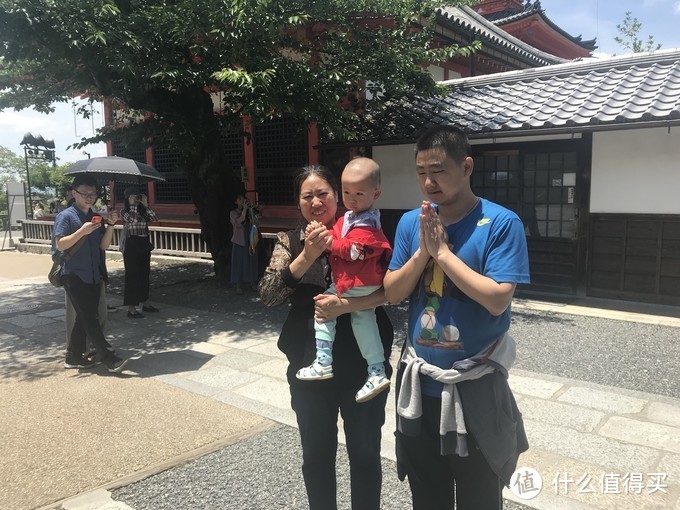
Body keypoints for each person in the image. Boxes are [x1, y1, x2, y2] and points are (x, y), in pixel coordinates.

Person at [383, 125, 530, 510]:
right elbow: (393, 292)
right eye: (420, 172)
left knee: (479, 496)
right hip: (419, 386)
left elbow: (498, 299)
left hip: (475, 388)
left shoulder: (500, 223)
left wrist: (443, 255)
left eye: (438, 170)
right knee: (426, 496)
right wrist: (422, 253)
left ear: (466, 167)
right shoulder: (408, 224)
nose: (428, 181)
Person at [258, 164, 393, 510]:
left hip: (362, 361)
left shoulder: (363, 230)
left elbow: (392, 289)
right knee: (316, 457)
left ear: (340, 196)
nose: (316, 202)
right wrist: (307, 255)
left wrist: (344, 306)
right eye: (307, 196)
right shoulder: (288, 240)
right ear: (298, 202)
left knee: (364, 455)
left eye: (323, 194)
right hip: (309, 361)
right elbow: (269, 295)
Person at [296, 158, 392, 404]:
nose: (352, 198)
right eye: (348, 192)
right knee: (354, 317)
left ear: (376, 193)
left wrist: (328, 242)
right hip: (354, 282)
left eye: (359, 193)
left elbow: (354, 250)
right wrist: (320, 233)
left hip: (359, 282)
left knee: (326, 311)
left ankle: (327, 363)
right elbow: (337, 235)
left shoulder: (368, 222)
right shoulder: (349, 217)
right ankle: (374, 370)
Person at [52, 175, 128, 373]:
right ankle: (107, 356)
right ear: (73, 193)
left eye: (93, 194)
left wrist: (111, 225)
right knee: (89, 316)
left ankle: (73, 356)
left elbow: (103, 245)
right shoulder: (66, 216)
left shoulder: (95, 217)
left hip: (95, 274)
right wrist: (82, 232)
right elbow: (60, 244)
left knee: (84, 317)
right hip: (74, 274)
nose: (89, 197)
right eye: (84, 193)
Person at [120, 187, 159, 318]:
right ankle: (131, 308)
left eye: (137, 197)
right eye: (133, 197)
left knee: (145, 274)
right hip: (131, 245)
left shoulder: (143, 211)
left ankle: (146, 302)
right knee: (132, 276)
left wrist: (146, 205)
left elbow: (154, 218)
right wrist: (132, 206)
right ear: (127, 198)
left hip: (144, 244)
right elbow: (132, 220)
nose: (136, 199)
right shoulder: (124, 211)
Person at [229, 194, 258, 294]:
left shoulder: (250, 211)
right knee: (238, 262)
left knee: (250, 261)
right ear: (236, 202)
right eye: (239, 199)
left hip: (250, 239)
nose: (242, 201)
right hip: (239, 240)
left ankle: (252, 281)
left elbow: (256, 222)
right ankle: (238, 284)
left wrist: (251, 210)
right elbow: (238, 223)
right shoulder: (233, 213)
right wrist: (244, 210)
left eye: (243, 199)